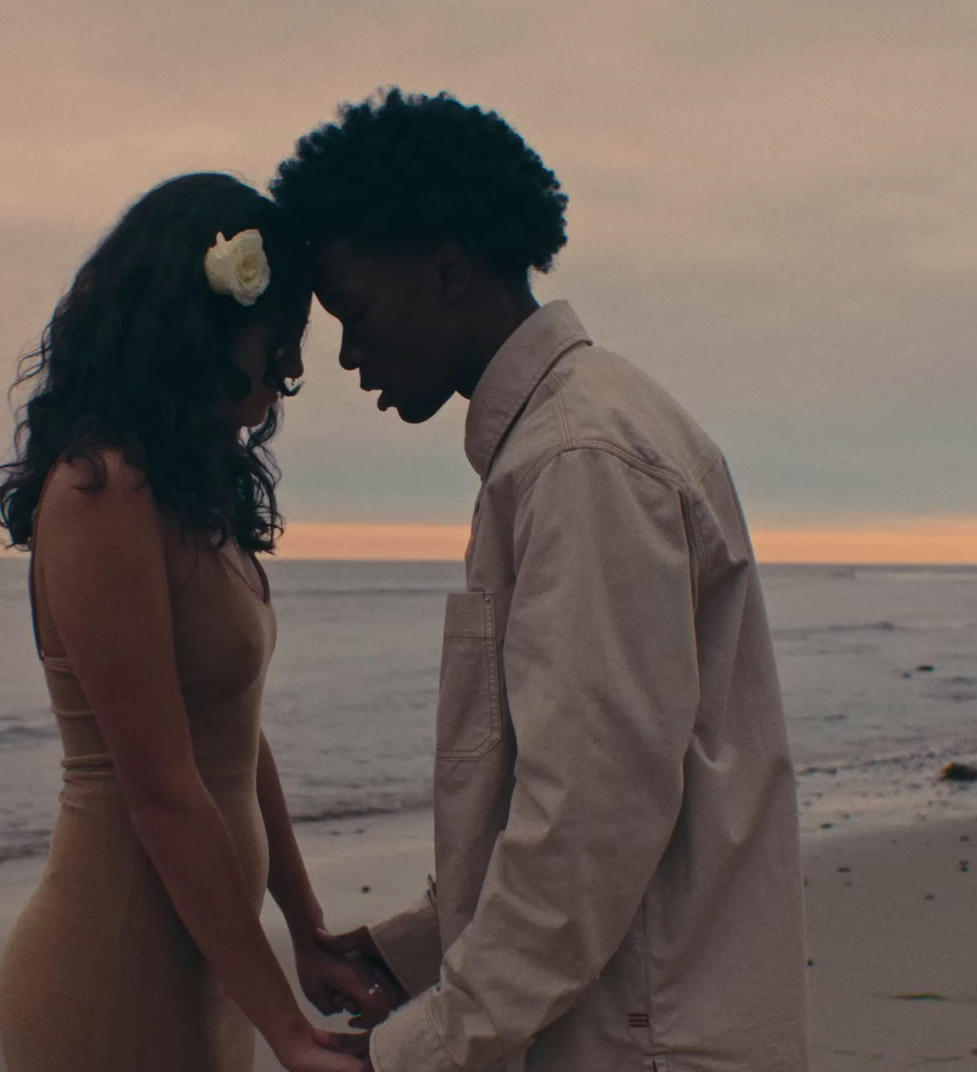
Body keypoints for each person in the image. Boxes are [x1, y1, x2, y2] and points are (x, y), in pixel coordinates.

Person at [271, 92, 809, 1070]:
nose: (348, 354)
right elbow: (562, 789)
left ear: (446, 267)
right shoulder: (562, 442)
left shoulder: (580, 456)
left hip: (643, 1038)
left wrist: (421, 1047)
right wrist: (411, 952)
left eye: (353, 312)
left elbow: (588, 823)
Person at [0, 173, 374, 1072]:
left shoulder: (192, 490)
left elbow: (233, 735)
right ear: (197, 322)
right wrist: (284, 1024)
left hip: (210, 962)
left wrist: (304, 927)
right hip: (113, 967)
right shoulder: (101, 493)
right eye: (275, 334)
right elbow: (160, 788)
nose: (290, 364)